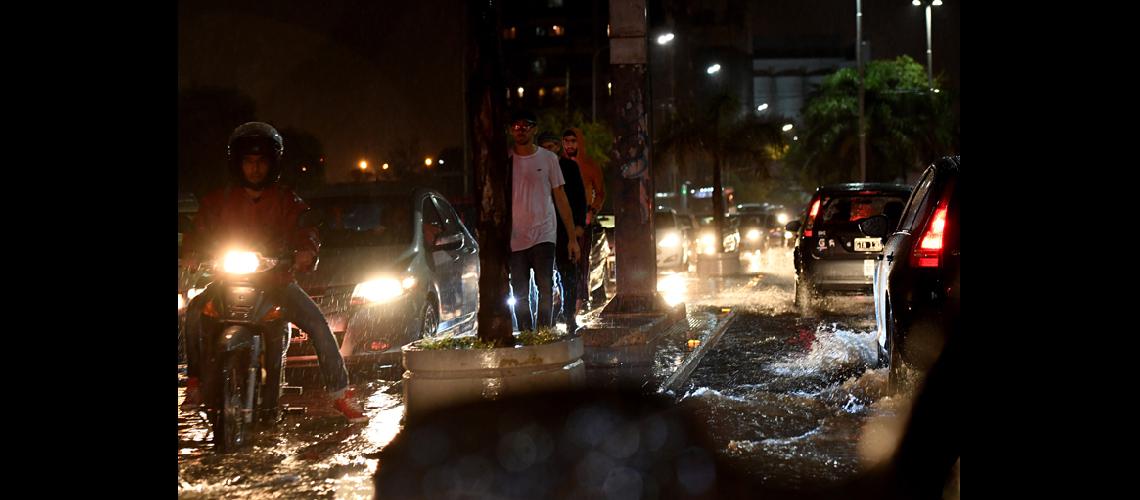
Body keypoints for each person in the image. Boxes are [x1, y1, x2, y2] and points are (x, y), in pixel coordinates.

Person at [180, 122, 367, 423]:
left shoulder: (286, 200)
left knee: (319, 325)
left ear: (273, 164)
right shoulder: (218, 201)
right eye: (248, 161)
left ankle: (341, 392)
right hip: (227, 280)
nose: (254, 169)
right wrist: (189, 253)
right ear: (237, 163)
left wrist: (306, 251)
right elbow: (198, 231)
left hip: (276, 282)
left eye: (261, 162)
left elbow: (307, 230)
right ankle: (195, 383)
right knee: (193, 313)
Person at [508, 111, 580, 332]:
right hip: (516, 237)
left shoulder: (548, 159)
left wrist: (571, 238)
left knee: (545, 286)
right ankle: (526, 333)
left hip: (544, 233)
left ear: (534, 129)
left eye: (526, 126)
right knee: (519, 292)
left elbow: (561, 197)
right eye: (517, 126)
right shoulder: (507, 160)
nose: (521, 130)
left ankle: (544, 332)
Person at [539, 132, 587, 333]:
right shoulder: (537, 169)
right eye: (545, 146)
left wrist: (577, 227)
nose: (550, 150)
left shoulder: (569, 167)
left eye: (553, 146)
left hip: (565, 230)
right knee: (543, 279)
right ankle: (545, 320)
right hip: (543, 230)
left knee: (568, 274)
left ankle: (569, 317)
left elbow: (579, 198)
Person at [561, 128, 605, 308]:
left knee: (581, 259)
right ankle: (567, 299)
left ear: (579, 143)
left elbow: (600, 193)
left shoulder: (590, 165)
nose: (570, 145)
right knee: (564, 259)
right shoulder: (558, 164)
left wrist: (591, 212)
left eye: (573, 141)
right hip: (563, 218)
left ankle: (580, 297)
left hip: (583, 219)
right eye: (566, 141)